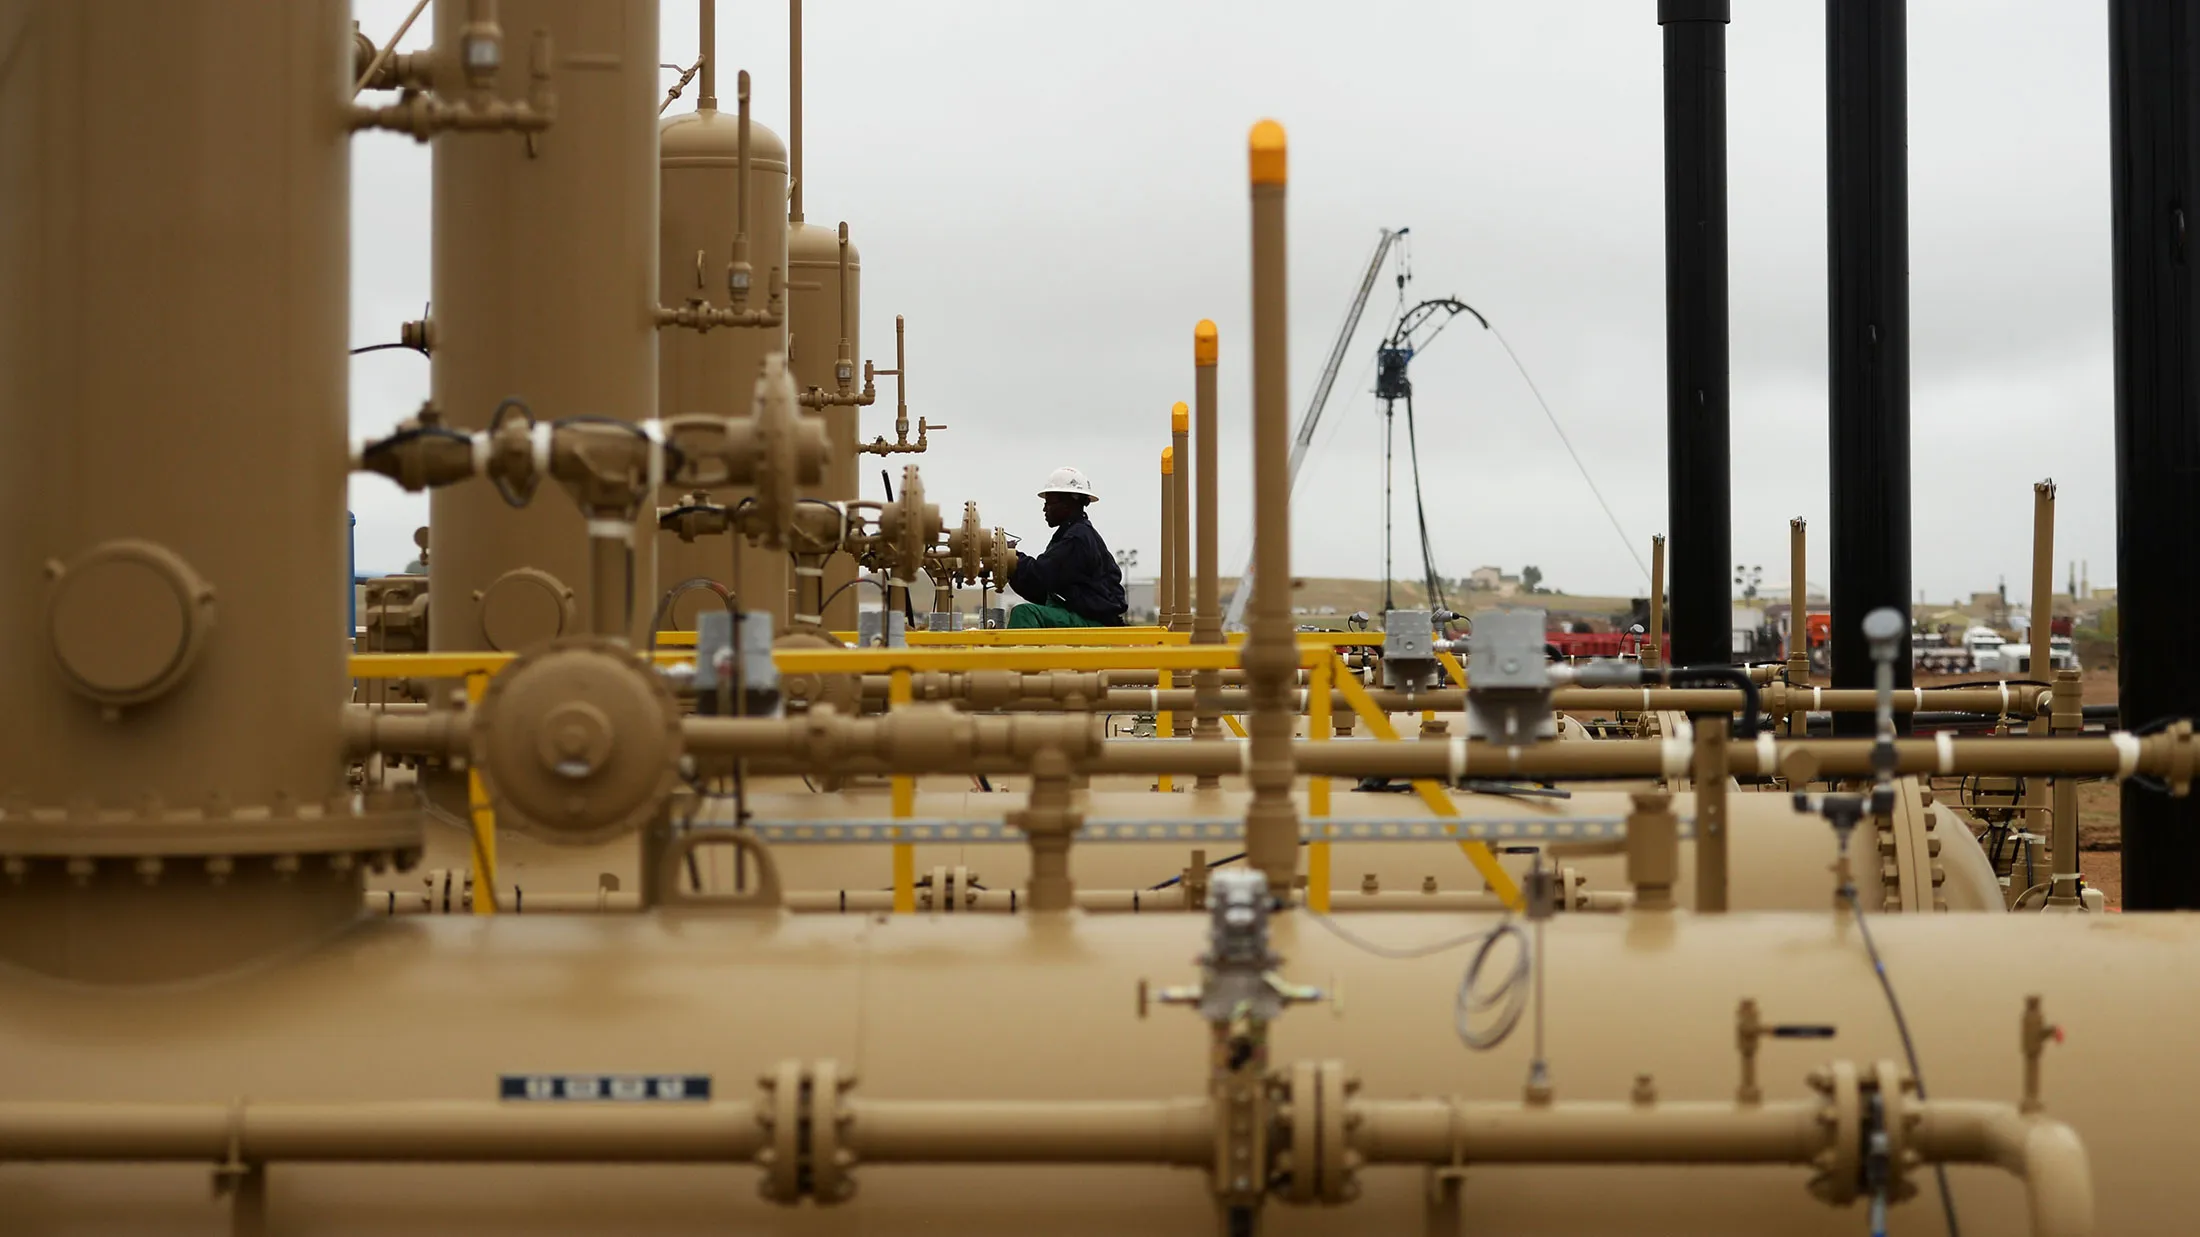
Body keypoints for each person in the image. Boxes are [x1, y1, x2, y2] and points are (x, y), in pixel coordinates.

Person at [1005, 466, 1128, 628]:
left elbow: (1041, 575)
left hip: (1093, 621)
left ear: (1068, 503)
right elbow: (1040, 589)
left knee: (1024, 613)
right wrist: (1011, 566)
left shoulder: (1077, 537)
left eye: (1049, 502)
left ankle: (1020, 654)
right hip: (1088, 616)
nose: (1044, 508)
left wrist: (1013, 558)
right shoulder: (1074, 534)